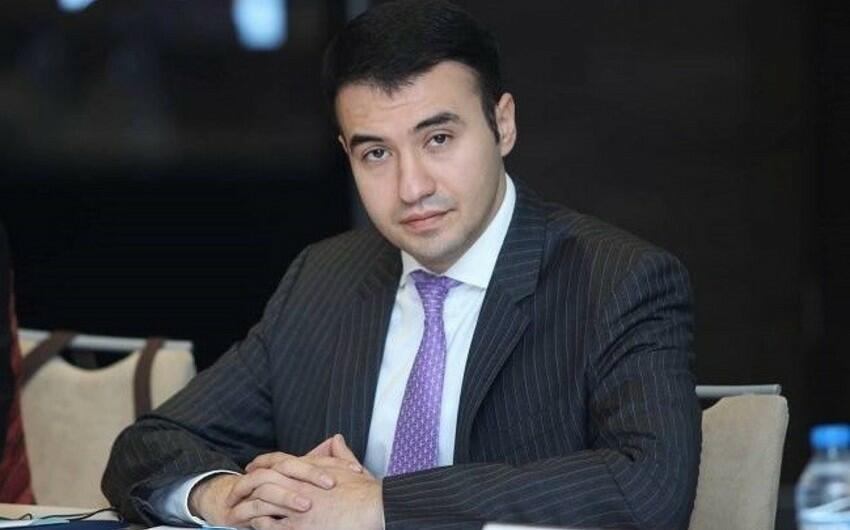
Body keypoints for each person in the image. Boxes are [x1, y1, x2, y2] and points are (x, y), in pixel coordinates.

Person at [102, 1, 701, 529]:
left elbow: (648, 490)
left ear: (503, 124)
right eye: (376, 153)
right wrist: (227, 496)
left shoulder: (619, 281)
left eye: (437, 139)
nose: (411, 187)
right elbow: (150, 445)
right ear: (347, 154)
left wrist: (381, 506)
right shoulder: (323, 279)